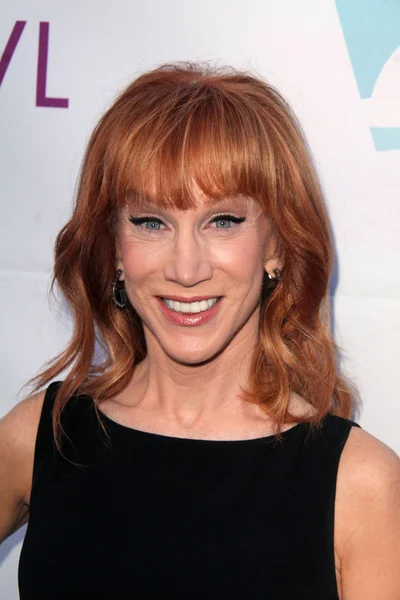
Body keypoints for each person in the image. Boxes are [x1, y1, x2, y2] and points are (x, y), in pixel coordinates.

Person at [1, 62, 399, 599]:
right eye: (151, 222)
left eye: (223, 221)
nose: (186, 270)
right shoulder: (40, 437)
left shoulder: (360, 483)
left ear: (277, 247)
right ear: (114, 248)